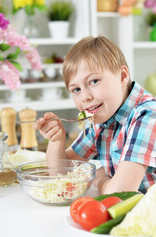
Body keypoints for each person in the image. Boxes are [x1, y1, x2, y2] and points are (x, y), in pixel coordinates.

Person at [34, 36, 156, 195]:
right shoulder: (102, 117)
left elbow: (120, 193)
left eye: (93, 81)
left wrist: (99, 179)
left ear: (122, 76)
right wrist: (56, 140)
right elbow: (60, 174)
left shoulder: (147, 116)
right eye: (76, 89)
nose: (85, 97)